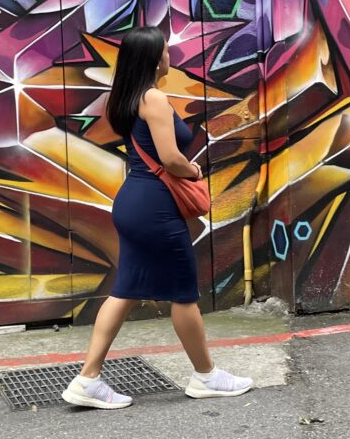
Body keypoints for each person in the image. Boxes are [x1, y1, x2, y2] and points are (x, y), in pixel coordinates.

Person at [61, 26, 253, 409]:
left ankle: (88, 380)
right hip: (155, 208)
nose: (170, 56)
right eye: (165, 51)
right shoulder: (153, 97)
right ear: (153, 59)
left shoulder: (128, 98)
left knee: (125, 291)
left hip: (132, 201)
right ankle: (206, 376)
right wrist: (194, 171)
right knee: (184, 294)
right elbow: (170, 159)